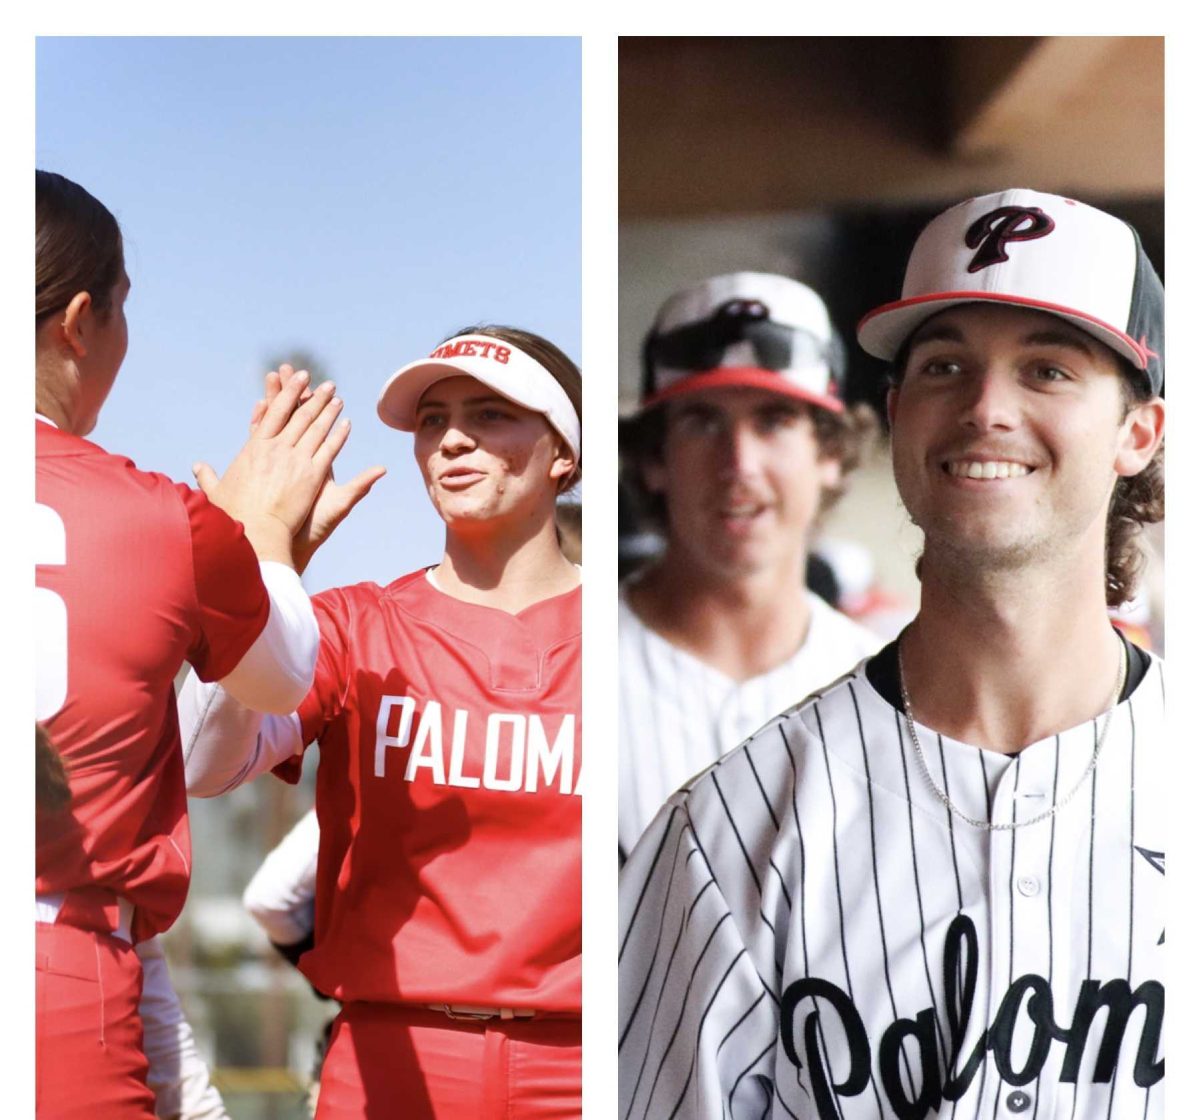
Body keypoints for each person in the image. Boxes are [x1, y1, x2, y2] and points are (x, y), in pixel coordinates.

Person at [618, 189, 1165, 1118]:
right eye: (948, 365)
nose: (987, 407)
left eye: (1048, 370)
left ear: (1138, 432)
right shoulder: (723, 833)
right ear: (899, 411)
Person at [178, 325, 583, 1119]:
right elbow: (201, 761)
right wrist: (264, 569)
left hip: (585, 1062)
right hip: (390, 1060)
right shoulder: (355, 627)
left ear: (563, 452)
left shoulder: (620, 639)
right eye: (433, 421)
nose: (453, 439)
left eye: (491, 414)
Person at [34, 171, 372, 1119]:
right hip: (56, 966)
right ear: (78, 320)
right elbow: (280, 679)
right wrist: (263, 539)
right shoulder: (166, 521)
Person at [618, 271, 880, 859]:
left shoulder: (888, 687)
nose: (738, 463)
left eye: (774, 420)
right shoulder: (572, 660)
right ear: (654, 458)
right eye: (702, 422)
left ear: (831, 454)